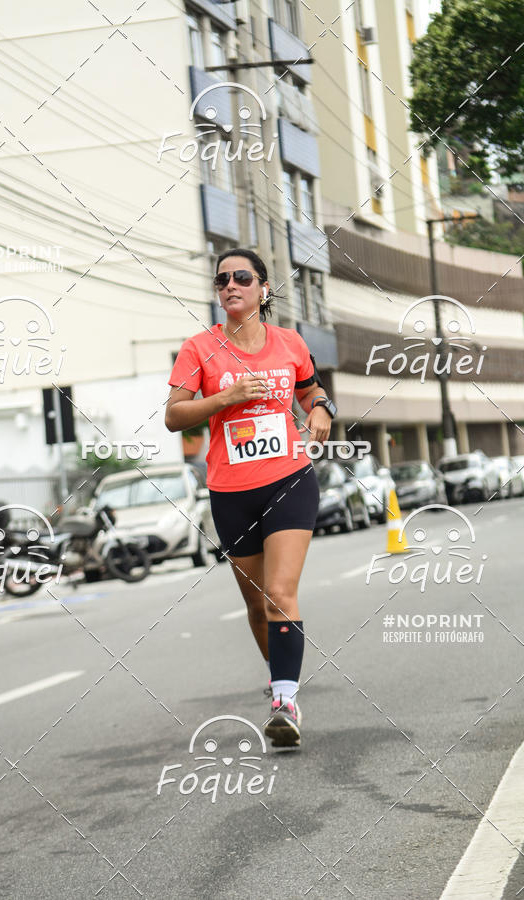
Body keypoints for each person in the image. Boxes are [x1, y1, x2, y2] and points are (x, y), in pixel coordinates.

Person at [165, 249, 336, 747]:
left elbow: (311, 389)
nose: (230, 285)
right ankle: (279, 675)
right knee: (258, 604)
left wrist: (322, 408)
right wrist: (225, 398)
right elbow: (175, 415)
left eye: (242, 277)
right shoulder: (199, 348)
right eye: (222, 280)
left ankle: (285, 701)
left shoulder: (289, 343)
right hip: (230, 491)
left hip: (289, 479)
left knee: (281, 593)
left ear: (264, 288)